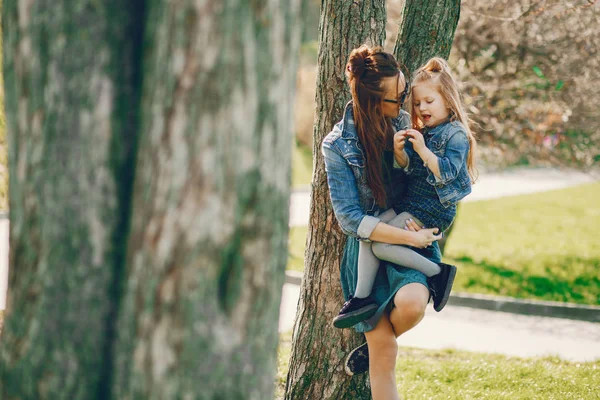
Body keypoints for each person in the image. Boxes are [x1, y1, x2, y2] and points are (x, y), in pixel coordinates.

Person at [322, 45, 441, 400]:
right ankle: (378, 347)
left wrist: (405, 157)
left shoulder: (402, 124)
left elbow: (418, 181)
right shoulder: (337, 146)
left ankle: (374, 347)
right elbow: (350, 219)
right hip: (367, 250)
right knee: (386, 352)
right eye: (399, 97)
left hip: (406, 230)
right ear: (374, 102)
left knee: (413, 304)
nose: (407, 102)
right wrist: (411, 241)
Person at [332, 56, 478, 329]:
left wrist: (422, 149)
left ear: (447, 100)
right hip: (413, 202)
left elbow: (445, 172)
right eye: (418, 102)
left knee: (381, 244)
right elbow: (410, 169)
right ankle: (361, 299)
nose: (421, 108)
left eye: (429, 102)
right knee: (370, 230)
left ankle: (437, 274)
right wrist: (400, 152)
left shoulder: (455, 134)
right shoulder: (428, 130)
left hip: (432, 209)